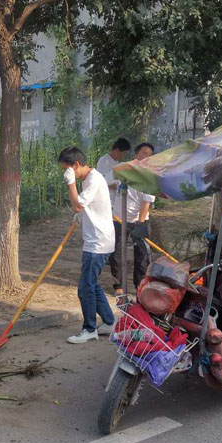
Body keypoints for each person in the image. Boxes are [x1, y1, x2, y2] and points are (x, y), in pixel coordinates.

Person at [59, 146, 116, 343]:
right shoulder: (91, 180)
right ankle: (109, 322)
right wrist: (82, 215)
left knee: (85, 288)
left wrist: (71, 183)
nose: (66, 174)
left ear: (76, 165)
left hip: (98, 243)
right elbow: (83, 207)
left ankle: (89, 328)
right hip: (97, 239)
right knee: (93, 284)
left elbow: (77, 204)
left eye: (67, 169)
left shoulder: (94, 180)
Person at [110, 143, 156, 295]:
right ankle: (119, 286)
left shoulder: (150, 175)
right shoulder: (124, 168)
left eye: (149, 154)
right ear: (136, 154)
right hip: (118, 218)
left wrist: (140, 224)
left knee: (142, 254)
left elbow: (146, 201)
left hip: (140, 220)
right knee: (117, 251)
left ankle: (140, 285)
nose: (146, 157)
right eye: (143, 153)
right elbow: (107, 183)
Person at [96, 138, 131, 205]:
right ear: (117, 150)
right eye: (123, 153)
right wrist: (118, 185)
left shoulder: (116, 162)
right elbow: (101, 181)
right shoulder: (104, 161)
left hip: (113, 199)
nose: (123, 156)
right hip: (105, 199)